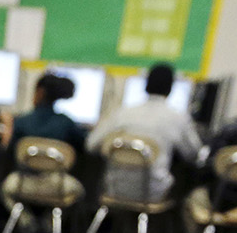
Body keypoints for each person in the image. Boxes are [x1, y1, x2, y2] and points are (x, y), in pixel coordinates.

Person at [86, 60, 200, 201]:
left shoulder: (122, 113)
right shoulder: (178, 118)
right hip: (152, 193)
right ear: (171, 88)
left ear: (145, 84)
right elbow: (194, 155)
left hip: (114, 188)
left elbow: (91, 145)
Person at [9, 72, 84, 152]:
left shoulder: (21, 123)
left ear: (40, 92)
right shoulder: (67, 125)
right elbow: (83, 147)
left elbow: (11, 151)